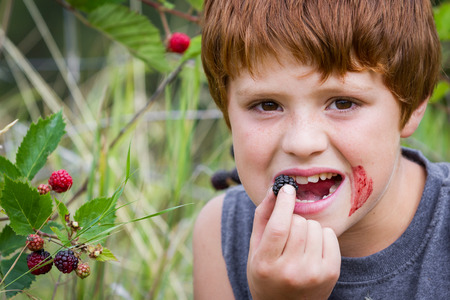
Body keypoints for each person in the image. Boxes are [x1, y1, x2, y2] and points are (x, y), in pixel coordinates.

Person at [193, 0, 449, 299]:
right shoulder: (223, 232)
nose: (302, 143)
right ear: (227, 110)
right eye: (267, 105)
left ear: (414, 105)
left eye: (343, 103)